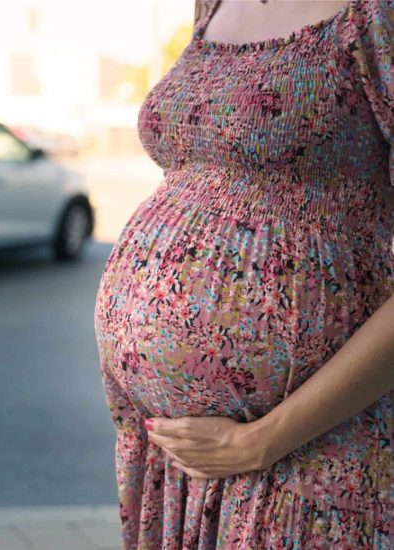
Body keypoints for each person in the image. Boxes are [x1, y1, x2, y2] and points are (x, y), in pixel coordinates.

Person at [93, 0, 393, 547]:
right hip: (181, 465)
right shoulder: (213, 4)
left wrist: (261, 441)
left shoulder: (374, 13)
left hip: (309, 452)